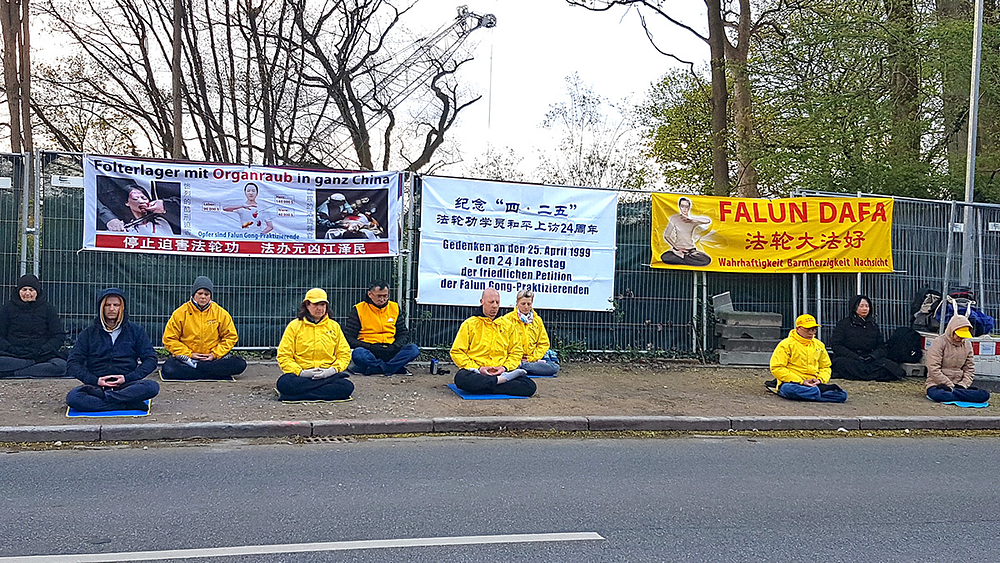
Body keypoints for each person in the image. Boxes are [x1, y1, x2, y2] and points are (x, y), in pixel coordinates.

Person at [66, 288, 159, 411]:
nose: (111, 309)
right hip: (96, 387)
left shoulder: (136, 331)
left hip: (127, 384)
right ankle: (126, 404)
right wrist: (95, 380)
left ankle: (107, 400)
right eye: (107, 305)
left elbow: (151, 359)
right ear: (101, 308)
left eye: (116, 305)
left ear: (122, 307)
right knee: (73, 398)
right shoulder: (88, 333)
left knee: (152, 387)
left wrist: (127, 378)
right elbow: (73, 363)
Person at [450, 288, 536, 397]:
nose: (495, 306)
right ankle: (499, 382)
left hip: (502, 371)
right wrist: (478, 368)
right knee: (461, 378)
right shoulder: (469, 324)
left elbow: (516, 352)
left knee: (530, 386)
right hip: (477, 372)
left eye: (497, 302)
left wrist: (504, 367)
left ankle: (488, 385)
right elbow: (457, 352)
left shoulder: (508, 325)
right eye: (491, 302)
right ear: (482, 302)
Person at [161, 276, 248, 380]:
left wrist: (214, 354)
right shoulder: (180, 313)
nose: (203, 297)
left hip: (213, 359)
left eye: (206, 294)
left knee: (240, 364)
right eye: (200, 293)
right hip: (188, 359)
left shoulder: (221, 313)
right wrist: (189, 354)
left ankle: (198, 369)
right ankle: (209, 371)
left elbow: (230, 337)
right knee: (169, 368)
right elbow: (169, 339)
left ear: (210, 296)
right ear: (194, 294)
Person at [275, 288, 354, 402]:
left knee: (346, 386)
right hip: (301, 376)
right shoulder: (294, 326)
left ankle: (296, 396)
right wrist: (301, 372)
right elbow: (284, 355)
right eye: (316, 304)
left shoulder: (334, 326)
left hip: (327, 374)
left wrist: (331, 370)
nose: (320, 308)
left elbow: (344, 354)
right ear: (307, 305)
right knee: (284, 382)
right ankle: (321, 392)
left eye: (323, 304)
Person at [343, 282, 419, 376]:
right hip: (369, 349)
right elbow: (349, 337)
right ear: (370, 294)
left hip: (391, 348)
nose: (382, 299)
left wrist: (395, 346)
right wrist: (370, 346)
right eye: (379, 296)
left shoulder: (394, 307)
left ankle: (376, 369)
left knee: (413, 349)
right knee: (359, 354)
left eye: (385, 296)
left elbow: (403, 333)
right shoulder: (359, 309)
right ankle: (393, 368)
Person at [767, 314, 847, 403]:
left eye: (813, 329)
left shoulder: (819, 345)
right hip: (793, 383)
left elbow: (825, 367)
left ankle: (812, 393)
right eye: (808, 329)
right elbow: (777, 367)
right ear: (798, 328)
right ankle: (817, 393)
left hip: (814, 384)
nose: (811, 332)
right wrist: (801, 381)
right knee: (789, 389)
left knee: (842, 394)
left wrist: (820, 380)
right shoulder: (786, 344)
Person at [0, 274, 67, 378]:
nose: (27, 293)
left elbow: (58, 335)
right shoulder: (7, 308)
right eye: (24, 289)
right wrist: (11, 349)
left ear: (37, 292)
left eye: (31, 290)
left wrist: (43, 350)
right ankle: (31, 367)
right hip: (12, 355)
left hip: (42, 356)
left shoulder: (48, 308)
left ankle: (15, 373)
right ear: (18, 291)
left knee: (61, 366)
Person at [830, 294, 904, 382]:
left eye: (867, 306)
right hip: (851, 358)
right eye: (861, 306)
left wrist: (872, 356)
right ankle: (869, 374)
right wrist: (855, 356)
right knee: (841, 364)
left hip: (869, 358)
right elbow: (837, 346)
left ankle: (862, 374)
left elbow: (881, 346)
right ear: (854, 307)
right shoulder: (844, 324)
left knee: (892, 367)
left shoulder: (873, 326)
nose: (865, 309)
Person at [925, 315, 990, 404]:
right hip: (938, 384)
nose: (961, 338)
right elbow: (933, 369)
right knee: (940, 395)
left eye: (963, 336)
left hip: (959, 385)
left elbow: (970, 368)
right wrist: (948, 384)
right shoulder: (939, 342)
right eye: (959, 335)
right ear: (952, 331)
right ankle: (961, 395)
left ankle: (956, 393)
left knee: (985, 395)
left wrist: (963, 385)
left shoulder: (967, 345)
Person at [499, 289, 560, 376]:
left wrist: (532, 358)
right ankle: (521, 367)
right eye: (523, 304)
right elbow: (502, 343)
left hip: (533, 359)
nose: (526, 307)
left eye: (529, 304)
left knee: (554, 367)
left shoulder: (537, 320)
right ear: (517, 303)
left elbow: (544, 344)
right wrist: (515, 358)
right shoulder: (507, 319)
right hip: (513, 359)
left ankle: (522, 367)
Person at [661, 196, 712, 266]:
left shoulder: (692, 220)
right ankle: (687, 259)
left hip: (691, 250)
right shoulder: (674, 218)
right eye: (682, 206)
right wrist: (676, 248)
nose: (685, 209)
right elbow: (666, 235)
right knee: (665, 257)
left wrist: (692, 219)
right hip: (678, 249)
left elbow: (708, 221)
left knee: (706, 260)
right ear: (679, 207)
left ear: (689, 207)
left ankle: (682, 257)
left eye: (686, 206)